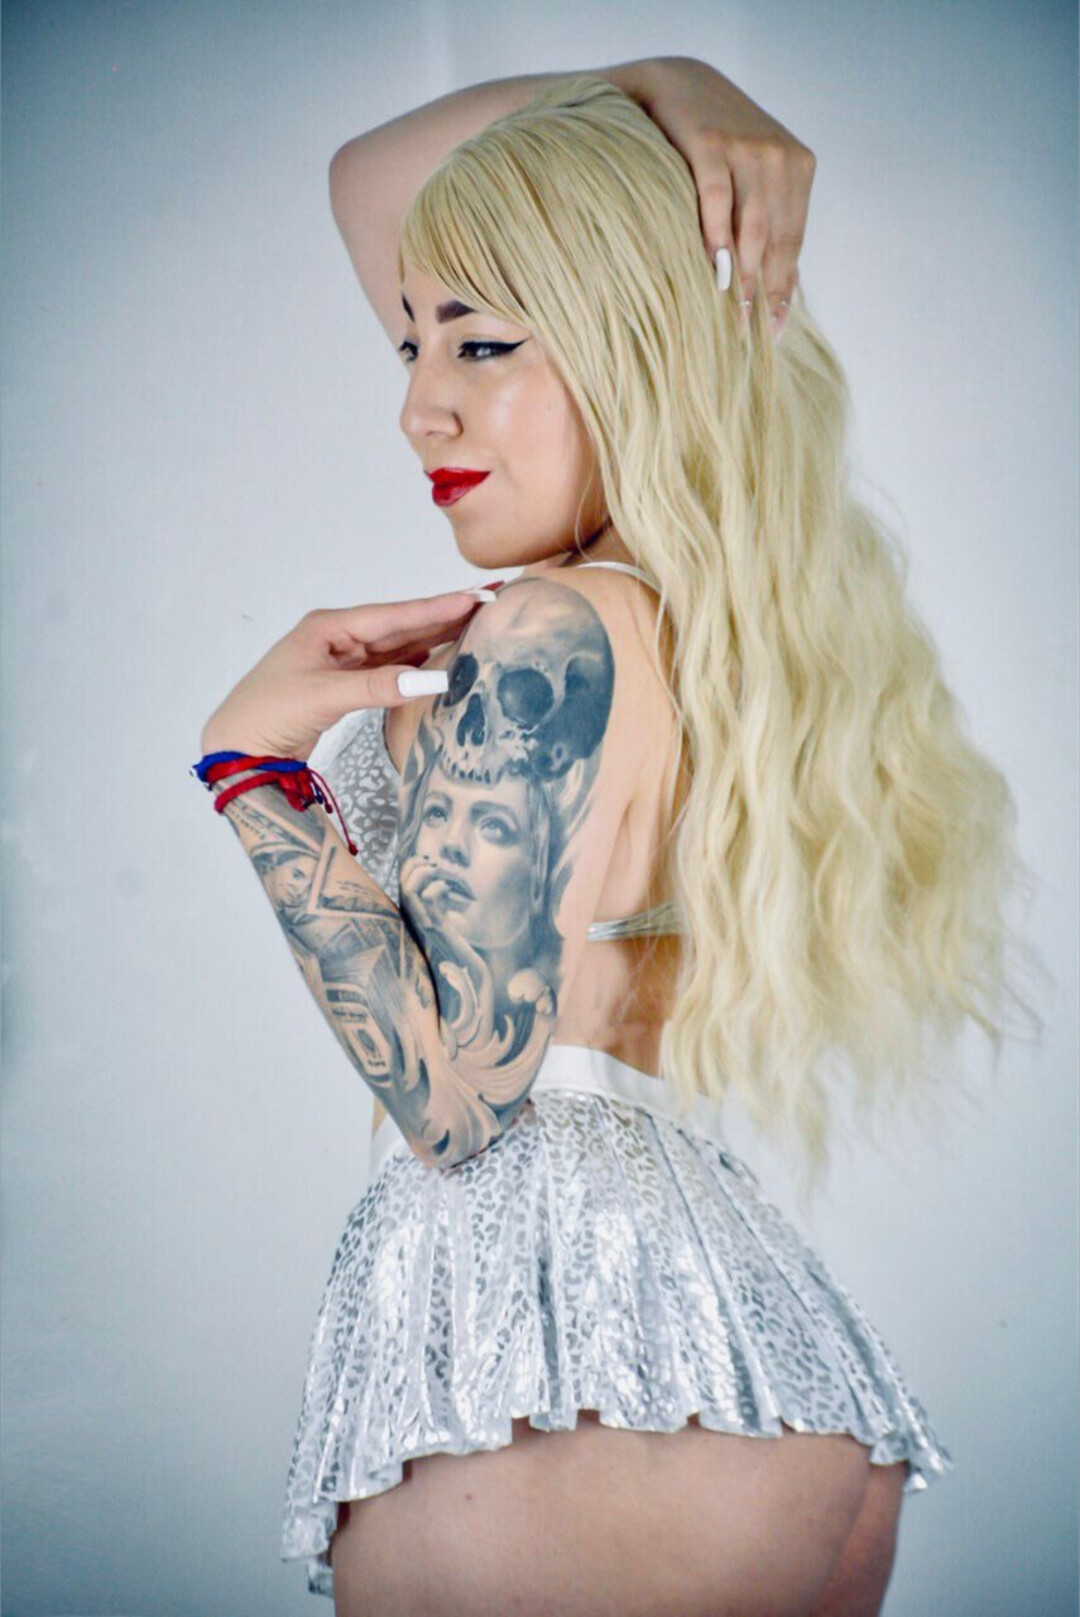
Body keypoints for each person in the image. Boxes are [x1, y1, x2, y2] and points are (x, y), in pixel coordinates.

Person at [196, 57, 1040, 1617]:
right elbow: (370, 176)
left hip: (549, 1360)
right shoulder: (695, 620)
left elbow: (456, 1097)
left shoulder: (553, 626)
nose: (419, 403)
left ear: (629, 343)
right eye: (407, 340)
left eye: (483, 340)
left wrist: (254, 769)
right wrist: (663, 87)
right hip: (736, 1341)